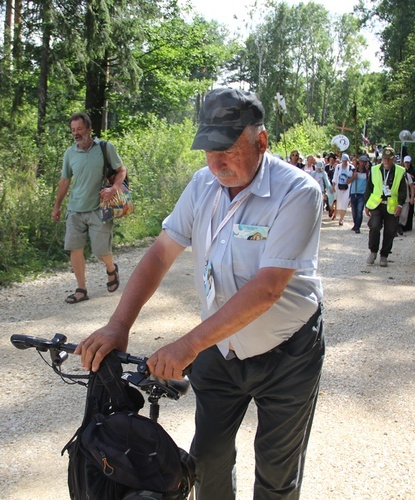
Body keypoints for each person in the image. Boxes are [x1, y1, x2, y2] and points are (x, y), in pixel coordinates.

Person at [76, 88, 325, 499]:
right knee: (206, 459)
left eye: (227, 148)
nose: (216, 161)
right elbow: (160, 253)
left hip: (289, 354)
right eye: (209, 149)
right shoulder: (202, 185)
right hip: (221, 345)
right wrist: (119, 325)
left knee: (276, 473)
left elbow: (266, 290)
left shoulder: (298, 192)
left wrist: (188, 345)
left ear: (261, 141)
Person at [52, 112, 126, 303]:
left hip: (99, 209)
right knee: (75, 248)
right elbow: (65, 180)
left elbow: (121, 170)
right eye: (73, 130)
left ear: (89, 129)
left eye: (79, 129)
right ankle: (81, 289)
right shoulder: (70, 153)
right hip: (75, 209)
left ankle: (111, 268)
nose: (76, 133)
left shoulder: (104, 148)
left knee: (101, 252)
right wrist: (57, 206)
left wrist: (114, 188)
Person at [364, 146, 407, 267]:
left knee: (390, 231)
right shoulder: (374, 169)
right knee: (375, 226)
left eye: (389, 159)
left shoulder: (400, 171)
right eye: (385, 158)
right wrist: (366, 204)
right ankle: (373, 252)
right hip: (376, 204)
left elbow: (403, 191)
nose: (386, 161)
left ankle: (384, 255)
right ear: (381, 158)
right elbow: (369, 188)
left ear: (393, 159)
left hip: (391, 205)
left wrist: (400, 205)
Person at [349, 154, 370, 233]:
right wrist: (353, 177)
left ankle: (358, 227)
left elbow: (369, 184)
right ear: (359, 162)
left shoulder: (367, 173)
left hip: (362, 194)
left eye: (365, 162)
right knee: (354, 211)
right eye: (361, 162)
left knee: (359, 210)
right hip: (353, 193)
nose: (363, 164)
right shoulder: (353, 171)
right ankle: (355, 224)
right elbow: (347, 181)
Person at [333, 153, 354, 226]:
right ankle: (340, 215)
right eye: (343, 160)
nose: (344, 162)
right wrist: (333, 187)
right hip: (339, 187)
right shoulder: (338, 167)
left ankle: (341, 218)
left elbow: (353, 178)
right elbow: (335, 177)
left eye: (346, 161)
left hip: (347, 188)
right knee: (339, 203)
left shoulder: (351, 167)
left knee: (345, 202)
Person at [399, 155, 415, 233]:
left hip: (409, 193)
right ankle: (398, 226)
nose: (406, 164)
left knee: (408, 211)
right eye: (405, 162)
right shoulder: (400, 171)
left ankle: (406, 226)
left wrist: (412, 196)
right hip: (400, 195)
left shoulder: (412, 172)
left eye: (408, 162)